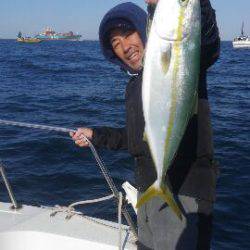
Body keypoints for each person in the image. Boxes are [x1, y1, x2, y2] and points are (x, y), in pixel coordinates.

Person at [70, 1, 220, 249]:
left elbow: (206, 41)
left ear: (146, 28)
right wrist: (95, 135)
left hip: (185, 192)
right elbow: (138, 138)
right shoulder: (137, 85)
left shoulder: (184, 60)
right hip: (148, 192)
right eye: (116, 44)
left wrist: (180, 7)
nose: (125, 47)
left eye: (128, 34)